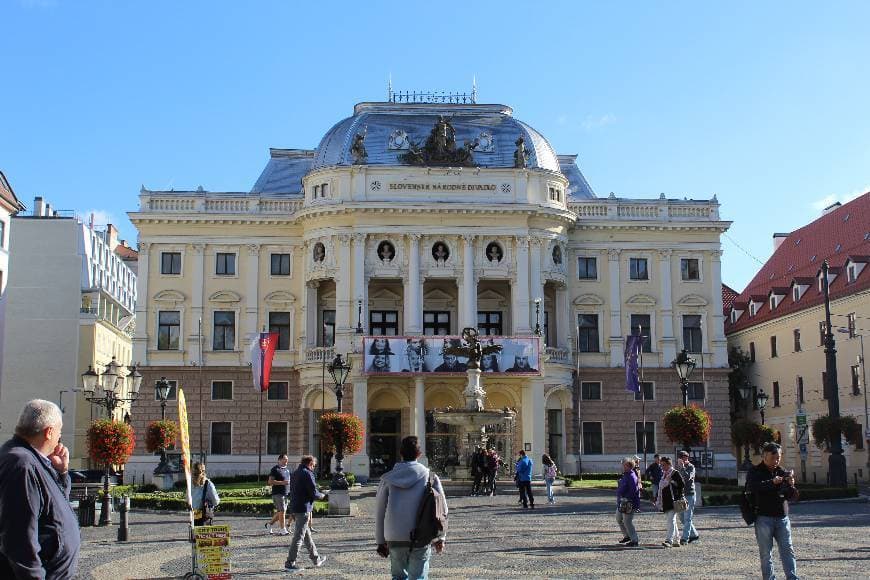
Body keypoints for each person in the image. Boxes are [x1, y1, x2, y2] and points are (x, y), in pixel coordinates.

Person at [0, 399, 80, 579]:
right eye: (60, 431)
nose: (60, 437)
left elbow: (54, 507)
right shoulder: (22, 464)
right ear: (49, 432)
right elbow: (19, 539)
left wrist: (61, 472)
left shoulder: (32, 459)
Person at [375, 436, 447, 580]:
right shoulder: (430, 477)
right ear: (419, 454)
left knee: (398, 577)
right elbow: (442, 509)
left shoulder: (388, 479)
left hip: (394, 535)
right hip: (422, 534)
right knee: (418, 577)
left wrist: (380, 541)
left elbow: (380, 511)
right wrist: (441, 537)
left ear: (401, 453)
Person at [747, 442, 799, 580]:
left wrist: (792, 486)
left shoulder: (782, 471)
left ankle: (792, 577)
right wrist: (772, 482)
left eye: (779, 457)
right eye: (773, 458)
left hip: (782, 517)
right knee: (766, 553)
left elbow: (792, 497)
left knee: (788, 549)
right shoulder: (755, 471)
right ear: (764, 457)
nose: (776, 461)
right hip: (763, 518)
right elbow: (753, 487)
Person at [285, 456, 326, 571]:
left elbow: (293, 490)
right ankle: (290, 563)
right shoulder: (307, 473)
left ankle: (316, 559)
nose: (314, 468)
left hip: (294, 507)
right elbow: (313, 492)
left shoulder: (295, 473)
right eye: (314, 466)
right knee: (299, 537)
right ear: (310, 463)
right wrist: (321, 495)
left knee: (306, 535)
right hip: (303, 508)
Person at [656, 456, 685, 548]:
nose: (662, 467)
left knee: (670, 520)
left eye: (663, 465)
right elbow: (661, 487)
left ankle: (669, 540)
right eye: (661, 465)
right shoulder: (664, 474)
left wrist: (671, 481)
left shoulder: (674, 473)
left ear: (669, 464)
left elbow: (682, 484)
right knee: (672, 520)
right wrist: (656, 498)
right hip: (666, 501)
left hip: (673, 500)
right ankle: (677, 540)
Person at [616, 457, 641, 547]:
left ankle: (634, 540)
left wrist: (626, 499)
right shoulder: (626, 475)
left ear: (629, 466)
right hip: (622, 502)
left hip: (628, 503)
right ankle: (627, 536)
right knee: (619, 518)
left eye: (624, 465)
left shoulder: (631, 476)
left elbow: (634, 490)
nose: (622, 466)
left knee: (627, 522)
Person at [677, 450, 700, 545]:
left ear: (687, 457)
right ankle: (694, 534)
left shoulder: (691, 467)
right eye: (680, 457)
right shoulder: (678, 468)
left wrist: (682, 467)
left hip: (689, 495)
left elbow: (687, 478)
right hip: (681, 495)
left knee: (687, 517)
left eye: (684, 457)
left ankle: (685, 538)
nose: (682, 459)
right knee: (681, 517)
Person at [266, 453, 291, 535]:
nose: (286, 461)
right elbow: (270, 482)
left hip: (286, 493)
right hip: (278, 493)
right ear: (279, 460)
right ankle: (282, 529)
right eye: (284, 459)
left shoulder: (286, 470)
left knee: (281, 511)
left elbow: (288, 482)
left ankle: (269, 524)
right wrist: (282, 482)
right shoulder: (275, 469)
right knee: (282, 511)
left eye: (287, 460)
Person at [191, 461, 220, 526]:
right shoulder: (208, 484)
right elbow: (216, 501)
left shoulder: (190, 484)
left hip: (195, 513)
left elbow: (187, 500)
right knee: (204, 533)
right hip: (205, 514)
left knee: (196, 533)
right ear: (203, 472)